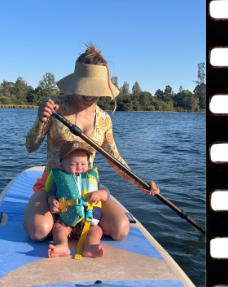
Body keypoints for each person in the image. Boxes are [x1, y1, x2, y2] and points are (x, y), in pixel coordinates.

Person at [23, 47, 160, 244]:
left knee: (121, 229)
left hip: (87, 189)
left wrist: (143, 184)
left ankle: (71, 223)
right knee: (39, 231)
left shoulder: (104, 119)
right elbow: (30, 146)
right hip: (52, 184)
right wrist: (40, 119)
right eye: (85, 87)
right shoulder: (54, 106)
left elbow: (115, 159)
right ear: (76, 82)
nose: (90, 95)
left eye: (95, 88)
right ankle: (56, 220)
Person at [43, 144, 110, 260]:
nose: (79, 167)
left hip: (87, 221)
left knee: (96, 231)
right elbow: (51, 194)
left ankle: (90, 247)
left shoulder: (91, 177)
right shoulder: (58, 179)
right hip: (66, 221)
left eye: (83, 164)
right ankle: (62, 246)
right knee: (58, 229)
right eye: (74, 164)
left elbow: (106, 192)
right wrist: (52, 202)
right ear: (62, 164)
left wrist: (99, 194)